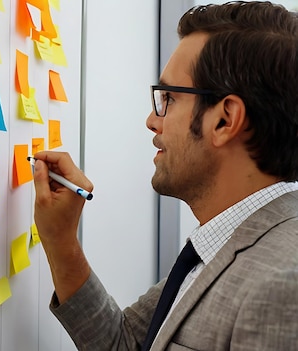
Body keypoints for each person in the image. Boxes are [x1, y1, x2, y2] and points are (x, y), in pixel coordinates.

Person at [31, 2, 298, 350]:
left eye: (169, 97)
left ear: (224, 120)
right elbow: (123, 343)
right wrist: (60, 240)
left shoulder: (283, 285)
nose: (152, 120)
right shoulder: (220, 241)